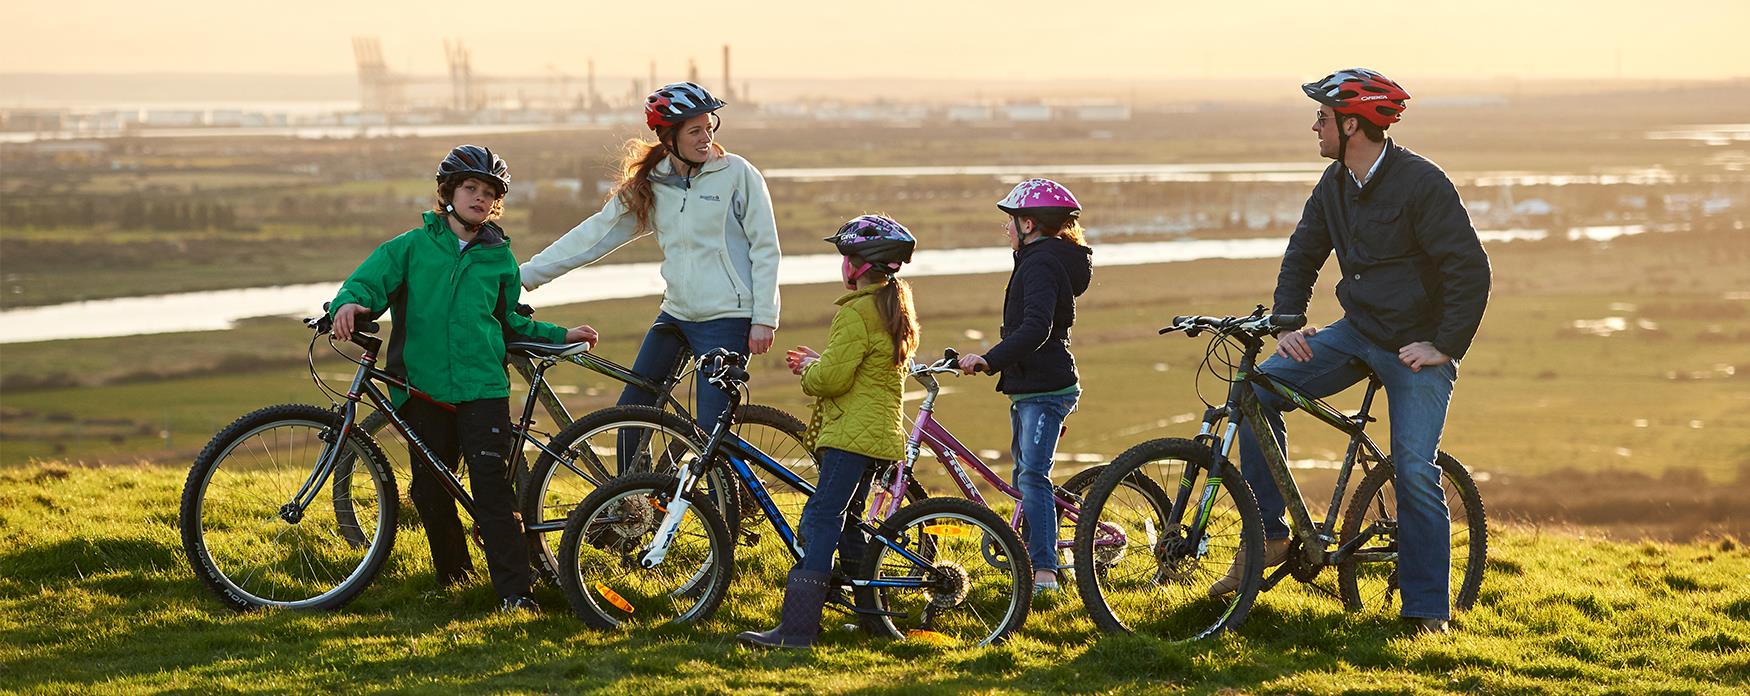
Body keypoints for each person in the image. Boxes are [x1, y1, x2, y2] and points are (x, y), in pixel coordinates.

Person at [1208, 68, 1491, 635]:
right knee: (1258, 392)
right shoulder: (1334, 184)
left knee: (1413, 469)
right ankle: (1271, 534)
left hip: (1414, 347)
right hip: (1356, 331)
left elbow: (1470, 269)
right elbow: (1303, 250)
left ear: (1353, 124)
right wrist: (1288, 321)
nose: (1315, 126)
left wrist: (1443, 345)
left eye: (1323, 118)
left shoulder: (1422, 183)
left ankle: (1428, 610)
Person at [329, 145, 598, 612]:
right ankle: (455, 581)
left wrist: (560, 333)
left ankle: (516, 593)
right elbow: (366, 284)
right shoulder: (410, 247)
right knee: (430, 490)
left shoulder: (499, 259)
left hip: (483, 390)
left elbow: (511, 321)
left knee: (493, 491)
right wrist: (348, 305)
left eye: (489, 192)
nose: (479, 197)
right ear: (448, 193)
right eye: (470, 187)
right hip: (421, 388)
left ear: (496, 202)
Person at [520, 82, 780, 443]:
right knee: (632, 416)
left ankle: (727, 499)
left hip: (728, 319)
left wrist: (764, 318)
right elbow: (594, 235)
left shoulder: (738, 175)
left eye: (709, 127)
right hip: (676, 314)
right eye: (695, 131)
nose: (706, 137)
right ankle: (631, 498)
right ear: (668, 137)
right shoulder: (652, 183)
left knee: (710, 430)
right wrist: (525, 276)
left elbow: (765, 248)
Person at [737, 215, 918, 649]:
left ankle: (797, 629)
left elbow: (829, 381)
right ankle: (874, 619)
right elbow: (866, 367)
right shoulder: (896, 305)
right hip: (879, 436)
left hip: (849, 436)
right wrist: (826, 360)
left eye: (846, 258)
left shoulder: (856, 312)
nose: (843, 266)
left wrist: (810, 368)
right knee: (853, 523)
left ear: (856, 267)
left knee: (821, 520)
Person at [955, 179, 1093, 594]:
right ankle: (1035, 548)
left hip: (1046, 387)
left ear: (1029, 223)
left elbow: (1036, 327)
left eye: (1011, 222)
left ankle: (1046, 570)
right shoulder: (1041, 258)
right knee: (1026, 474)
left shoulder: (1040, 262)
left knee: (1033, 475)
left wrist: (990, 358)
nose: (1007, 230)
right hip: (1030, 385)